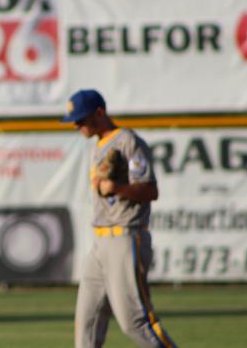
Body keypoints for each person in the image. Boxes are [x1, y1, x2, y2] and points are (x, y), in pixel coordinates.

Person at [61, 89, 176, 348]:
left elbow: (150, 190)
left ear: (100, 113)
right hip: (100, 243)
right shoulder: (98, 145)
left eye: (81, 119)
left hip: (125, 237)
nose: (77, 125)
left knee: (135, 322)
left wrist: (117, 188)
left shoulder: (127, 141)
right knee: (86, 326)